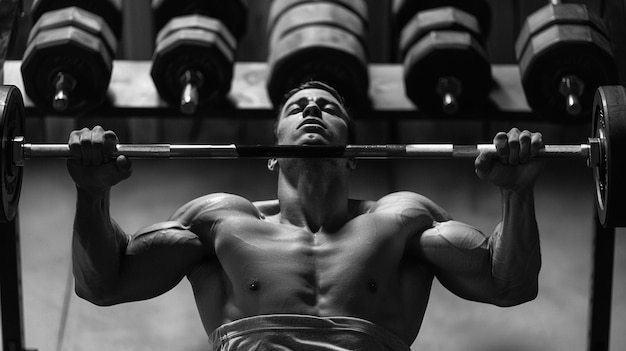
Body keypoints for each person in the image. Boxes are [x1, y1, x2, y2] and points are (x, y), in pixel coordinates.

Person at [68, 81, 543, 350]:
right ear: (272, 153)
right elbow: (102, 284)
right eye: (297, 108)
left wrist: (517, 195)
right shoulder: (219, 222)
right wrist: (92, 195)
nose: (312, 109)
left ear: (353, 153)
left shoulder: (403, 219)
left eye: (328, 107)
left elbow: (510, 284)